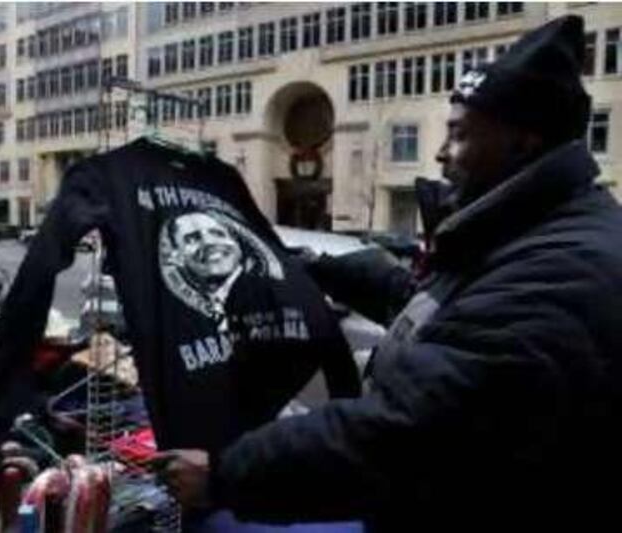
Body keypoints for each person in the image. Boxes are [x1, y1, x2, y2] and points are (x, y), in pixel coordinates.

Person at [154, 15, 622, 532]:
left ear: (521, 142)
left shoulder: (559, 275)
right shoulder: (527, 232)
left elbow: (400, 433)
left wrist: (223, 475)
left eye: (460, 135)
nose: (442, 153)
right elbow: (424, 303)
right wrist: (311, 267)